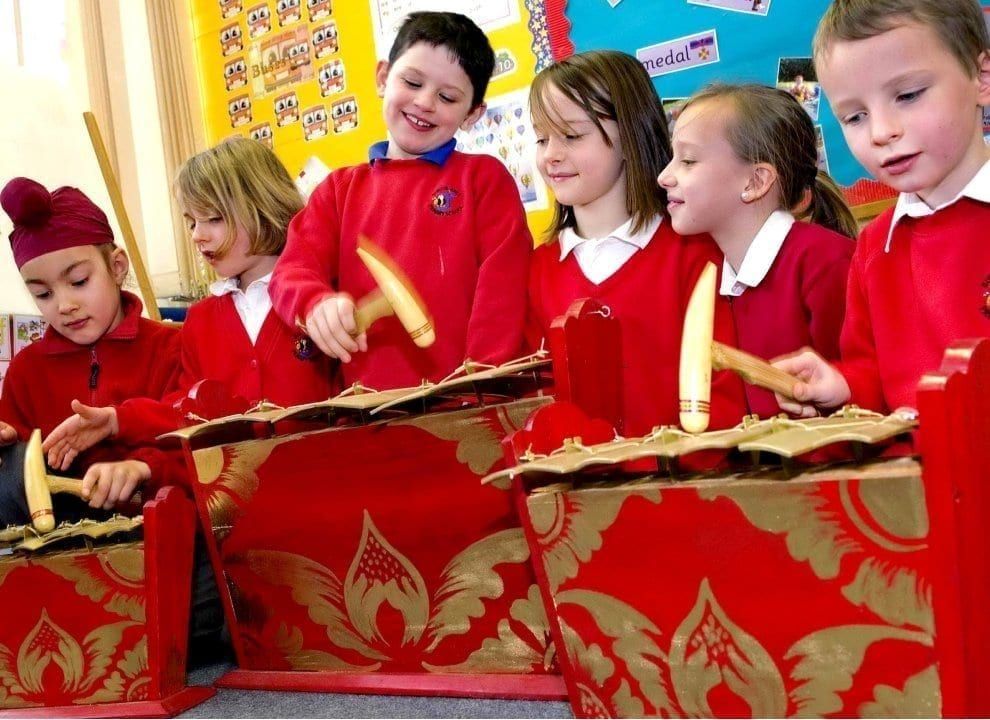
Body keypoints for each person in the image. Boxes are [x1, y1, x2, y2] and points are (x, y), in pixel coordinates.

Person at [269, 11, 532, 390]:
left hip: (466, 407)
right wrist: (315, 304)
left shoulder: (483, 180)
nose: (424, 102)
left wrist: (483, 386)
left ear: (472, 114)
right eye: (412, 81)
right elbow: (292, 272)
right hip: (364, 416)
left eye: (447, 97)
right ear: (382, 78)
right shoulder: (337, 192)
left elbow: (502, 297)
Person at [42, 137, 338, 470]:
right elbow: (188, 410)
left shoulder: (321, 296)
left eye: (213, 219)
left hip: (329, 489)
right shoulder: (201, 320)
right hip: (237, 507)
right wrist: (117, 421)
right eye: (191, 222)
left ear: (263, 205)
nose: (197, 235)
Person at [775, 0, 990, 416]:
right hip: (917, 478)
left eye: (908, 95)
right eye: (854, 117)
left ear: (981, 78)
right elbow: (873, 374)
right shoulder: (874, 249)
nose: (881, 132)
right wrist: (840, 384)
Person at [526, 50, 745, 436]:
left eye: (572, 136)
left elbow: (727, 393)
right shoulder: (537, 271)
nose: (551, 155)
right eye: (542, 138)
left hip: (685, 486)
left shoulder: (696, 256)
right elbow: (535, 406)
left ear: (630, 137)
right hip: (577, 494)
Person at [658, 83, 856, 417]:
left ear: (754, 182)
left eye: (688, 161)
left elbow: (860, 388)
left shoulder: (824, 261)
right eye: (672, 158)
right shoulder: (713, 277)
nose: (664, 176)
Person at [0, 177, 183, 525]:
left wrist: (143, 467)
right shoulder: (27, 370)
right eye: (43, 294)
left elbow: (200, 449)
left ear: (117, 267)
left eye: (79, 281)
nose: (64, 305)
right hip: (63, 555)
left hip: (162, 537)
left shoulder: (169, 348)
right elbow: (17, 479)